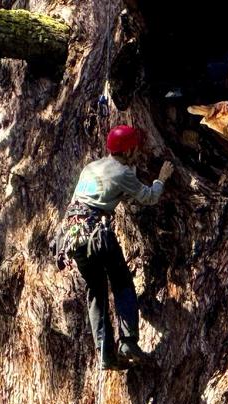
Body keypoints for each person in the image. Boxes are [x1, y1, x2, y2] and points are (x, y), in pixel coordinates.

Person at [57, 125, 174, 370]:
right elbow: (149, 197)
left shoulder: (91, 167)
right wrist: (160, 179)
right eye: (135, 148)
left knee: (96, 294)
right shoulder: (123, 173)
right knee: (121, 283)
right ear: (129, 149)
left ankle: (104, 355)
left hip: (73, 235)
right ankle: (128, 342)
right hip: (97, 232)